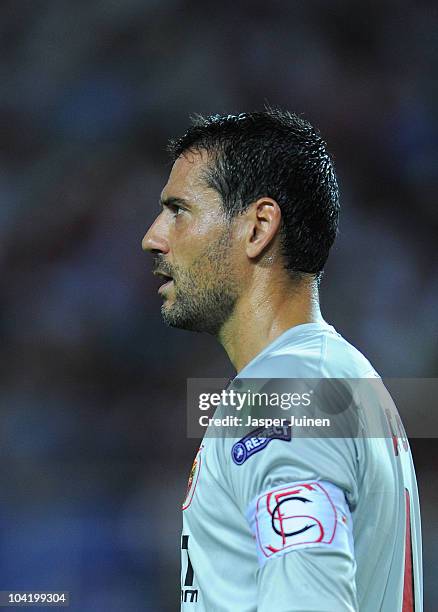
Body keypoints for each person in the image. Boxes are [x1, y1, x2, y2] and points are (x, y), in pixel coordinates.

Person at [142, 110, 422, 611]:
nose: (153, 237)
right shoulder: (336, 376)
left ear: (258, 228)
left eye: (178, 210)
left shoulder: (287, 392)